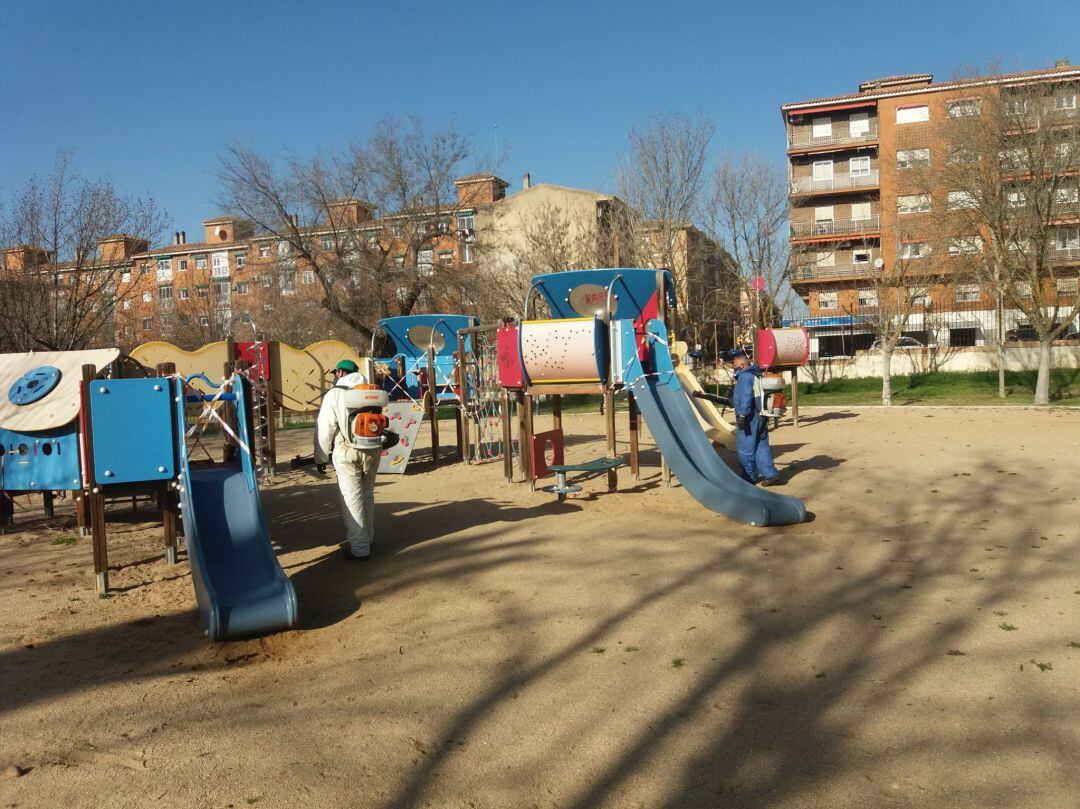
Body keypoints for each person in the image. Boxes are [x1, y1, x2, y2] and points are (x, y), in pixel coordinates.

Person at [314, 360, 387, 560]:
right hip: (372, 449)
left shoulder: (335, 394)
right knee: (367, 495)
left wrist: (320, 457)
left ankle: (360, 549)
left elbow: (325, 428)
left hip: (346, 451)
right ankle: (368, 538)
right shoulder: (371, 390)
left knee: (351, 499)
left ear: (340, 372)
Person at [729, 350, 780, 486]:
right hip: (762, 414)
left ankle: (748, 478)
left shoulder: (744, 377)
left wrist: (742, 415)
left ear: (741, 364)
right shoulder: (756, 374)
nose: (733, 367)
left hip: (750, 417)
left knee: (745, 449)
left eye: (734, 364)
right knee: (761, 445)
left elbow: (746, 398)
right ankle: (770, 474)